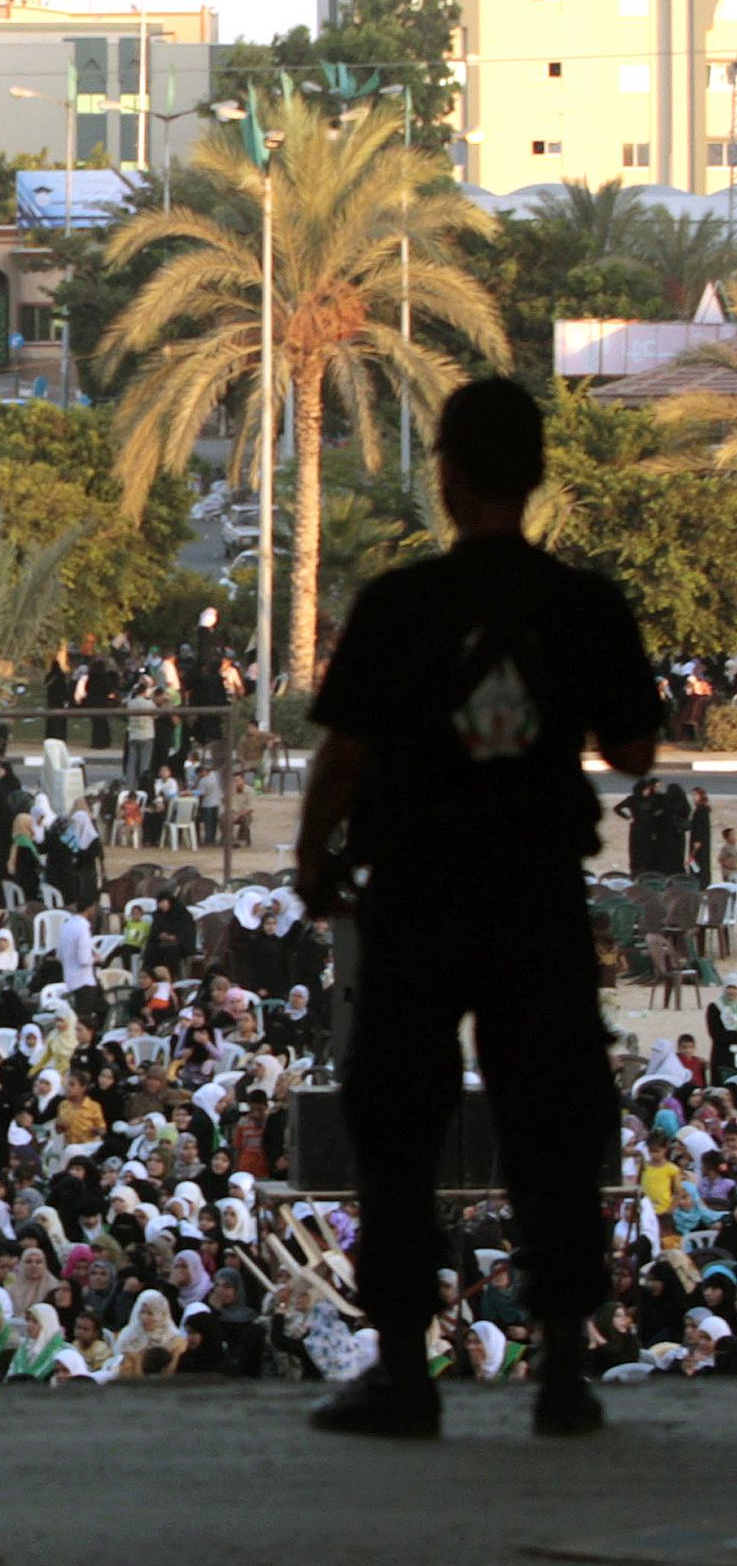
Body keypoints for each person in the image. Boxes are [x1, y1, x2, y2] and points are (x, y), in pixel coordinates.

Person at [295, 378, 660, 1441]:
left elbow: (344, 754)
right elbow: (633, 750)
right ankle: (560, 1376)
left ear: (445, 478)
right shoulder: (583, 605)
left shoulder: (402, 606)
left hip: (416, 894)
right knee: (554, 1116)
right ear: (538, 476)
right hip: (534, 891)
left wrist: (316, 862)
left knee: (396, 1120)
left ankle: (405, 1371)